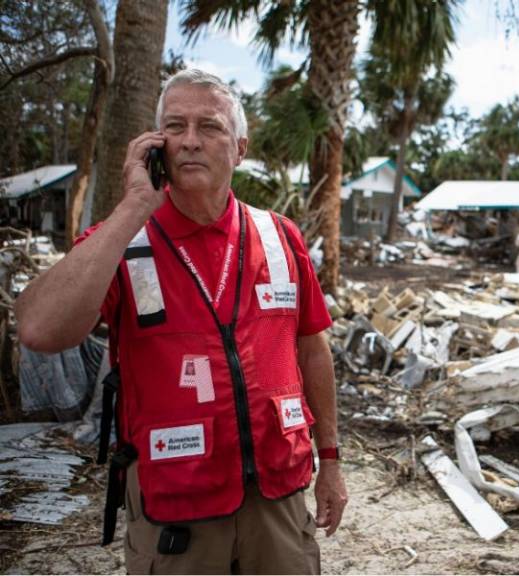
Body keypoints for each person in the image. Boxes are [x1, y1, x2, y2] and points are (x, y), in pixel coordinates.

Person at [15, 69, 347, 574]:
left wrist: (333, 461)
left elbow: (312, 349)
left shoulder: (280, 235)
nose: (190, 141)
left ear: (239, 148)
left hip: (276, 499)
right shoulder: (125, 240)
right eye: (175, 126)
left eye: (209, 127)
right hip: (177, 509)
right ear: (155, 145)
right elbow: (40, 330)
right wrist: (132, 208)